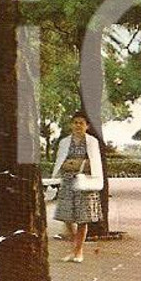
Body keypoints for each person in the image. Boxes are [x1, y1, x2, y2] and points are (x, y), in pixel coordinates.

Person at [50, 111, 104, 262]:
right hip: (68, 181)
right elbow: (62, 162)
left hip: (84, 182)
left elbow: (92, 163)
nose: (78, 126)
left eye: (81, 123)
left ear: (87, 126)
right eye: (75, 123)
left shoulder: (92, 142)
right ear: (71, 125)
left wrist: (78, 164)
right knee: (66, 217)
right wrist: (73, 164)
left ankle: (78, 250)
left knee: (82, 218)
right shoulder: (64, 142)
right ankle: (74, 247)